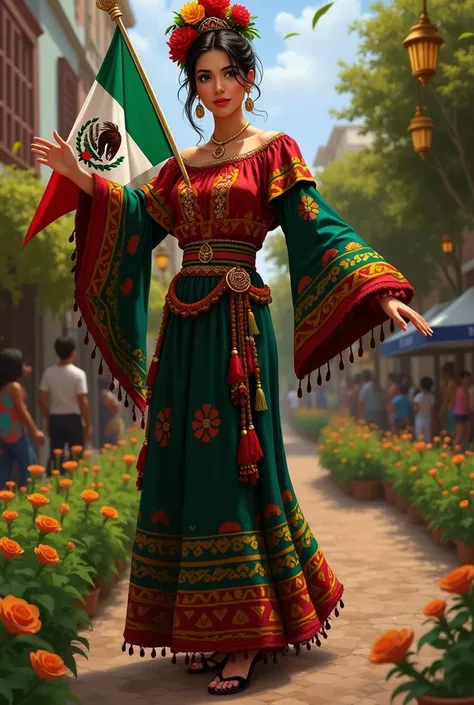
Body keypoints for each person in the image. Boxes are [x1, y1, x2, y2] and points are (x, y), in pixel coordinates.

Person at [30, 2, 432, 694]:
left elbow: (318, 228)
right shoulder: (179, 168)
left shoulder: (275, 151)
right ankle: (199, 624)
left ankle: (246, 635)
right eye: (203, 76)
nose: (216, 87)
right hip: (184, 336)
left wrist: (377, 293)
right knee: (191, 470)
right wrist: (81, 176)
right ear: (192, 86)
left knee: (235, 472)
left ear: (249, 77)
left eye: (228, 73)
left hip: (240, 336)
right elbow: (132, 218)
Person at [39, 336, 91, 472]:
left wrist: (49, 417)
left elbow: (42, 399)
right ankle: (74, 483)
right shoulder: (78, 374)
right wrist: (87, 424)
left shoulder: (48, 373)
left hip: (56, 418)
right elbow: (82, 401)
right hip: (73, 419)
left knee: (56, 457)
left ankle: (54, 485)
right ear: (73, 352)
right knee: (76, 457)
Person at [0, 348, 45, 487]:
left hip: (3, 435)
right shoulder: (15, 387)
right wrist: (35, 431)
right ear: (16, 368)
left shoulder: (4, 387)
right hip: (16, 434)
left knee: (4, 469)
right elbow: (22, 411)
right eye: (24, 364)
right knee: (31, 466)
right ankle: (30, 496)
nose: (28, 367)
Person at [98, 375, 124, 446]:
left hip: (109, 421)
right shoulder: (105, 393)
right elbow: (115, 405)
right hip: (109, 421)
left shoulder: (104, 393)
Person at [413, 377, 435, 442]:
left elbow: (415, 409)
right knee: (427, 441)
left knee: (420, 441)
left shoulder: (418, 396)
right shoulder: (432, 397)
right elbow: (432, 411)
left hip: (419, 421)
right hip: (428, 421)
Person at [454, 370, 471, 448]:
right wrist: (470, 414)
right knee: (461, 435)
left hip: (461, 414)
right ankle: (454, 451)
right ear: (462, 379)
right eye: (466, 379)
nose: (468, 381)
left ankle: (461, 449)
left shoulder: (461, 390)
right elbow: (466, 404)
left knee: (464, 435)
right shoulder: (463, 390)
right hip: (462, 414)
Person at [439, 362, 457, 434]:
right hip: (453, 410)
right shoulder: (454, 383)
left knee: (451, 433)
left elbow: (446, 400)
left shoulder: (451, 384)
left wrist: (441, 414)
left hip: (452, 410)